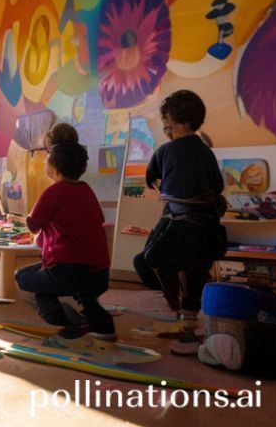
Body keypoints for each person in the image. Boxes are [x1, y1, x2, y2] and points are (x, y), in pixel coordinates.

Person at [134, 90, 226, 352]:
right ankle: (187, 326)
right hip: (207, 229)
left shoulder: (165, 150)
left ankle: (175, 305)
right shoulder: (206, 152)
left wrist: (163, 185)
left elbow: (151, 178)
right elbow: (217, 186)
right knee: (193, 271)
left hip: (179, 224)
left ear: (169, 121)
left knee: (150, 258)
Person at [15, 141, 115, 340]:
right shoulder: (86, 190)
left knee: (22, 277)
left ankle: (67, 324)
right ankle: (100, 323)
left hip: (67, 272)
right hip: (99, 273)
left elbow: (34, 224)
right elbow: (97, 219)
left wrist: (22, 218)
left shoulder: (54, 191)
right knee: (48, 284)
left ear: (53, 166)